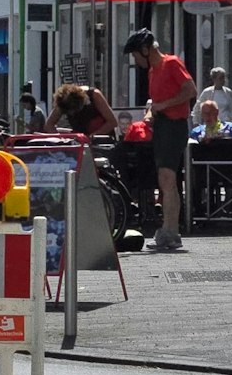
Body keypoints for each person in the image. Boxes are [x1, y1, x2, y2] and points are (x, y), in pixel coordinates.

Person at [125, 28, 196, 252]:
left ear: (146, 50)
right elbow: (156, 101)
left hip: (174, 126)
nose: (135, 60)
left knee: (167, 178)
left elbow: (190, 90)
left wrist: (163, 105)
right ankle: (169, 230)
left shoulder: (171, 63)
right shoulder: (152, 71)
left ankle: (170, 231)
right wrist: (150, 114)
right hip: (162, 125)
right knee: (165, 180)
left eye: (135, 55)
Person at [44, 82, 118, 138]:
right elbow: (49, 125)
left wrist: (91, 138)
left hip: (102, 141)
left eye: (74, 110)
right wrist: (61, 139)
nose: (72, 114)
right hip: (79, 142)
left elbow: (112, 122)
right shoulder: (62, 102)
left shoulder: (94, 95)